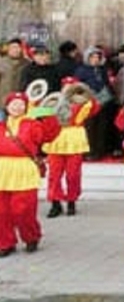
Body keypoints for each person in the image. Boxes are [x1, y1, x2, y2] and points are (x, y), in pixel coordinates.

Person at [0, 92, 60, 256]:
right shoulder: (1, 124)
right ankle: (5, 243)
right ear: (7, 106)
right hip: (2, 170)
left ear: (26, 107)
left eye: (21, 104)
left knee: (23, 209)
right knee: (2, 211)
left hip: (24, 170)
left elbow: (49, 135)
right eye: (13, 103)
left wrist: (47, 114)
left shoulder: (32, 124)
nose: (17, 107)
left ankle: (31, 237)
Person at [43, 77, 100, 218]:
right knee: (54, 175)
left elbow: (95, 106)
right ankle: (55, 203)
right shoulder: (53, 101)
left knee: (73, 175)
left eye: (71, 87)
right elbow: (36, 113)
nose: (68, 90)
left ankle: (71, 201)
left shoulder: (84, 104)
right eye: (66, 87)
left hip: (75, 139)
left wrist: (86, 93)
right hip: (55, 139)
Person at [0, 39, 30, 121]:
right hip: (2, 102)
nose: (15, 50)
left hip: (19, 105)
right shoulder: (1, 62)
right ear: (8, 49)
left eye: (18, 47)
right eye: (13, 47)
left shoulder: (27, 64)